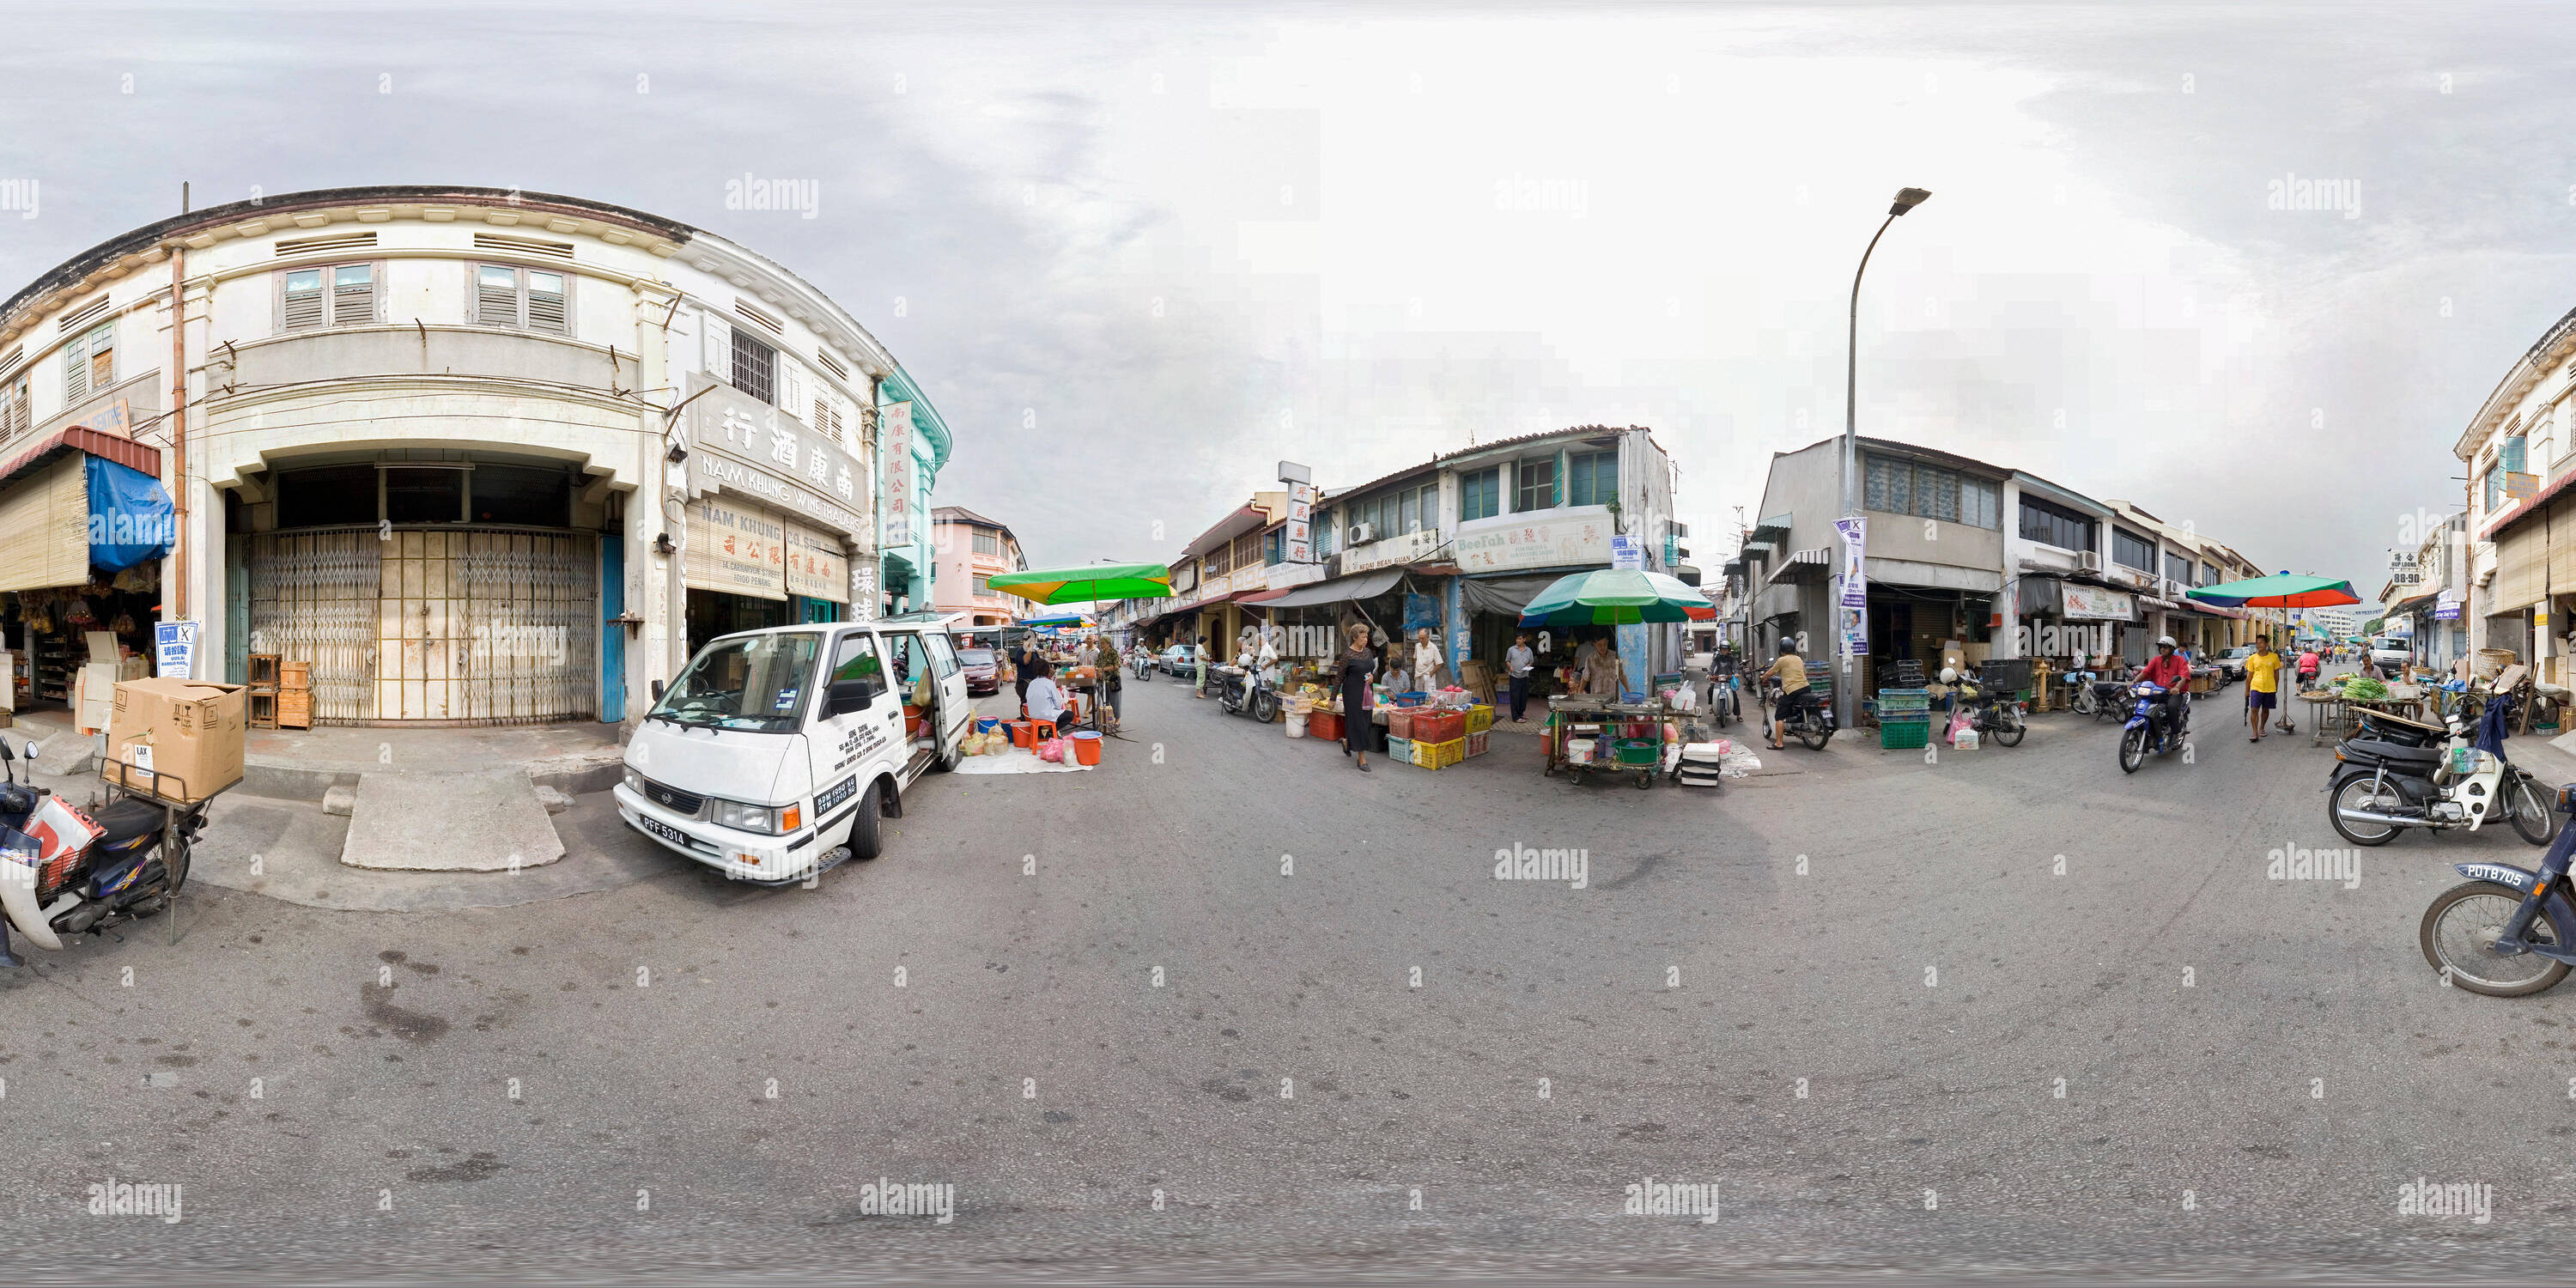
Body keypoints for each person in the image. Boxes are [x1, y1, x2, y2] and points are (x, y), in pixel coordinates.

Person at [1340, 624, 1384, 771]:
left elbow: (1371, 670)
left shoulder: (1368, 653)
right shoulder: (1347, 655)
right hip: (1352, 694)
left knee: (1366, 723)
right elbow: (1339, 678)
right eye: (1363, 637)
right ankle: (1361, 759)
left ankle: (1347, 743)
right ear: (1354, 637)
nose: (1366, 640)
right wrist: (1333, 699)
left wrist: (1372, 676)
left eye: (1366, 637)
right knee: (1358, 724)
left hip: (1367, 692)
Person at [2134, 635, 2192, 739]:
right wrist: (2134, 681)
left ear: (2172, 648)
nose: (2162, 649)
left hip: (2173, 693)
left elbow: (2183, 676)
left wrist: (2177, 687)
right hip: (2158, 692)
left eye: (2165, 647)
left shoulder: (2179, 660)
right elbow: (2146, 671)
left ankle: (2175, 733)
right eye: (2160, 647)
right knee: (2141, 704)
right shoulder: (2156, 660)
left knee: (2172, 708)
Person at [1760, 644, 1809, 750]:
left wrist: (1763, 677)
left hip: (1792, 689)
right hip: (1805, 687)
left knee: (1779, 716)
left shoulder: (1782, 660)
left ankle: (1779, 743)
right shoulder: (1798, 659)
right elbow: (1805, 673)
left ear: (1781, 649)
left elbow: (1771, 672)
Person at [2243, 635, 2283, 743]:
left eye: (2261, 642)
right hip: (2256, 687)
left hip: (2270, 688)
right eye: (2257, 643)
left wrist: (2276, 687)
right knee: (2254, 709)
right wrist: (2247, 690)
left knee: (2265, 710)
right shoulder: (2252, 658)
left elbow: (2276, 674)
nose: (2259, 645)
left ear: (2266, 644)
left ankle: (2262, 727)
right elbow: (2249, 677)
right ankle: (2255, 732)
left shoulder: (2274, 657)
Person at [1024, 657, 1077, 734]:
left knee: (1049, 713)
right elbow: (1058, 705)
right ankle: (1050, 732)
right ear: (1047, 670)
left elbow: (1027, 698)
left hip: (1032, 714)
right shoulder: (1049, 683)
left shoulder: (1032, 683)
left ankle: (1040, 733)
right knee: (1070, 715)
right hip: (1045, 714)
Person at [1504, 632, 1537, 723]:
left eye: (1520, 639)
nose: (1518, 640)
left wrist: (1529, 665)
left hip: (1525, 676)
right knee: (1515, 697)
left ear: (1524, 640)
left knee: (1523, 696)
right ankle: (1515, 717)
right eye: (1517, 639)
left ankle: (1521, 713)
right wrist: (1510, 667)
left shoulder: (1528, 650)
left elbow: (1531, 661)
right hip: (1514, 676)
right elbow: (1507, 661)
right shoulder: (1511, 649)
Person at [1091, 634, 1122, 721]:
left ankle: (1117, 719)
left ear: (1108, 643)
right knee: (1105, 700)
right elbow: (1097, 665)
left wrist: (1102, 669)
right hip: (1102, 680)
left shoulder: (1114, 652)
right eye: (1101, 643)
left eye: (1103, 643)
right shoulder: (1101, 653)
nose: (1102, 645)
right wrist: (1098, 670)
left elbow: (1116, 666)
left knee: (1115, 701)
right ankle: (1108, 719)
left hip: (1113, 680)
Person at [1412, 627, 1445, 691]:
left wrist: (1431, 673)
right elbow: (1415, 658)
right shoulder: (1417, 646)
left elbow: (1439, 663)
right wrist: (1416, 668)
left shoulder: (1433, 647)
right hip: (1418, 674)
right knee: (1418, 694)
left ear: (1428, 637)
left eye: (1423, 639)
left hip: (1428, 675)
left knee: (1429, 696)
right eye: (1419, 638)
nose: (1421, 640)